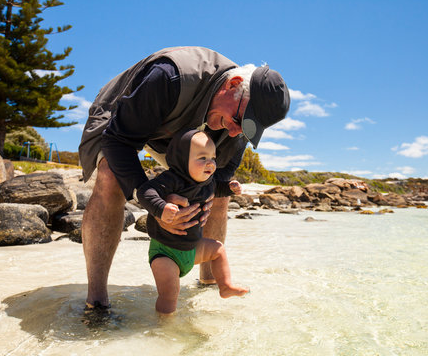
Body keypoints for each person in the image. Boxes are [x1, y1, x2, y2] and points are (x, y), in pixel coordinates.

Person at [78, 46, 289, 310]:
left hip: (185, 137)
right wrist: (154, 204)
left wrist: (202, 200)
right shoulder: (169, 77)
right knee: (110, 175)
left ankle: (209, 285)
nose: (237, 131)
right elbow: (119, 140)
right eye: (241, 119)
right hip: (124, 116)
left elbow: (218, 180)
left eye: (248, 128)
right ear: (233, 84)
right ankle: (96, 301)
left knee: (218, 195)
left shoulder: (237, 127)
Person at [137, 129, 248, 314]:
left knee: (218, 249)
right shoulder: (170, 180)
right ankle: (164, 326)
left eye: (213, 158)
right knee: (170, 295)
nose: (210, 163)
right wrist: (161, 208)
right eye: (202, 157)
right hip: (165, 253)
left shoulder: (208, 182)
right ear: (181, 159)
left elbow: (217, 190)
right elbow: (145, 192)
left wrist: (229, 188)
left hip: (193, 249)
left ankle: (225, 286)